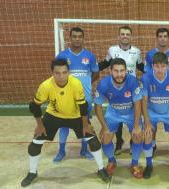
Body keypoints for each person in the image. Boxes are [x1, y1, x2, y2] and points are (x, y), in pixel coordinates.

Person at [20, 59, 110, 187]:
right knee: (34, 144)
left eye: (64, 72)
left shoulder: (76, 83)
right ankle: (32, 172)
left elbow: (83, 106)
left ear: (68, 72)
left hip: (76, 115)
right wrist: (40, 126)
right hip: (54, 115)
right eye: (57, 73)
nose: (61, 76)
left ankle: (101, 169)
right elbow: (34, 106)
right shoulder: (45, 86)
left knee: (94, 141)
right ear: (52, 73)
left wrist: (85, 125)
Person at [53, 27, 99, 163]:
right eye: (74, 36)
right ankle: (61, 151)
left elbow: (96, 73)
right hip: (66, 98)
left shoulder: (90, 56)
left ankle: (84, 150)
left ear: (83, 38)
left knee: (85, 124)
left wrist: (85, 84)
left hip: (85, 98)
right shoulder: (62, 56)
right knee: (63, 125)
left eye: (80, 36)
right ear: (70, 38)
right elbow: (56, 74)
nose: (77, 39)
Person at [94, 58, 145, 179]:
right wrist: (104, 127)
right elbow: (97, 107)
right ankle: (112, 161)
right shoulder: (104, 84)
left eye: (122, 71)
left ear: (126, 71)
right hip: (113, 112)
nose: (119, 74)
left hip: (130, 112)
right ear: (110, 70)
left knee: (138, 136)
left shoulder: (132, 81)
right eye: (116, 71)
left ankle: (134, 164)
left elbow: (138, 103)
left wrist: (137, 126)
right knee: (106, 137)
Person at [141, 52, 169, 178]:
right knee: (148, 134)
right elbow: (144, 100)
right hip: (152, 112)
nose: (159, 70)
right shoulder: (146, 78)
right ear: (152, 66)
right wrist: (147, 122)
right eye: (156, 66)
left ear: (167, 66)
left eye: (162, 66)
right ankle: (149, 165)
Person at [100, 26, 145, 155]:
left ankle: (133, 143)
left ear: (131, 37)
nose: (125, 36)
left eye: (127, 34)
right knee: (117, 115)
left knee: (134, 115)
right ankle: (119, 142)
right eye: (122, 34)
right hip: (116, 88)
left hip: (132, 88)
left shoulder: (137, 52)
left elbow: (141, 66)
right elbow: (105, 63)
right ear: (118, 36)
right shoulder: (112, 50)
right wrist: (90, 69)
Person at [144, 28, 169, 158]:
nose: (163, 38)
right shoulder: (150, 54)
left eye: (165, 36)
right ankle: (152, 145)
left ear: (168, 38)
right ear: (157, 38)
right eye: (160, 36)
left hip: (168, 91)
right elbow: (147, 74)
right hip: (154, 93)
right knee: (150, 128)